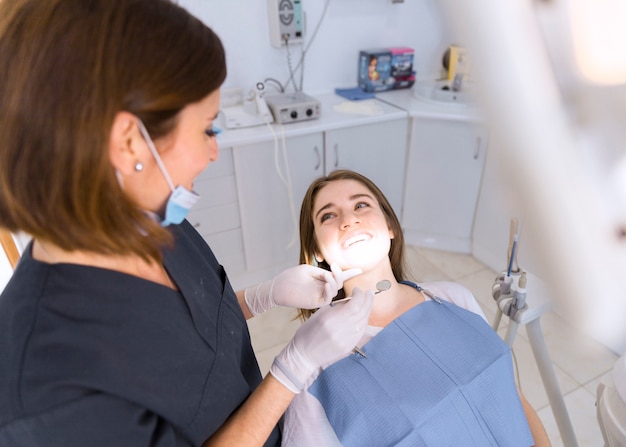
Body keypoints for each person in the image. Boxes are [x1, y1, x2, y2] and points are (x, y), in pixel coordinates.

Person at [0, 1, 374, 446]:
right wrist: (293, 369)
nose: (213, 152)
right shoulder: (47, 386)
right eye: (208, 130)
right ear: (130, 143)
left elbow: (188, 335)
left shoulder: (154, 221)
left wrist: (264, 295)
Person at [281, 169, 551, 446]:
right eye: (328, 215)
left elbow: (512, 395)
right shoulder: (316, 360)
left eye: (361, 204)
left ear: (390, 227)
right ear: (317, 252)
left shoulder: (454, 298)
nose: (349, 220)